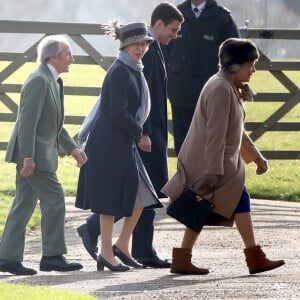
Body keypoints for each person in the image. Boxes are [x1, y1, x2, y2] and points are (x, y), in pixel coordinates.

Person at [162, 38, 285, 275]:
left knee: (204, 208)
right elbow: (215, 135)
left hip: (222, 163)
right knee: (221, 204)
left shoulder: (227, 85)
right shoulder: (220, 88)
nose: (254, 69)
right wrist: (210, 174)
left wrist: (256, 157)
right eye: (250, 64)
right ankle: (254, 257)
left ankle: (182, 258)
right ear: (235, 65)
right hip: (214, 164)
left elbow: (235, 129)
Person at [76, 2, 184, 268]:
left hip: (128, 140)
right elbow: (119, 113)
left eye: (143, 44)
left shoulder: (137, 66)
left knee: (143, 194)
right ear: (124, 46)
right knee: (116, 197)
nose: (140, 48)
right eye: (135, 45)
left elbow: (138, 106)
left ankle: (122, 245)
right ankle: (109, 250)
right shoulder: (121, 70)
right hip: (116, 142)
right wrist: (141, 133)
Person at [0, 35, 88, 276]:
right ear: (53, 57)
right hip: (34, 157)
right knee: (56, 199)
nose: (72, 58)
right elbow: (27, 124)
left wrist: (73, 149)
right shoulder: (39, 80)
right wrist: (28, 157)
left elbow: (56, 124)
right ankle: (52, 256)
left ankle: (7, 257)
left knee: (23, 204)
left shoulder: (53, 80)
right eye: (68, 54)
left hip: (36, 156)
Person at [163, 0, 239, 155]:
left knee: (211, 142)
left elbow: (235, 52)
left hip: (212, 94)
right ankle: (184, 178)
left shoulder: (222, 17)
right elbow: (163, 50)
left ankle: (208, 178)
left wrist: (232, 85)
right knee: (183, 143)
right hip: (180, 94)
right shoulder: (176, 13)